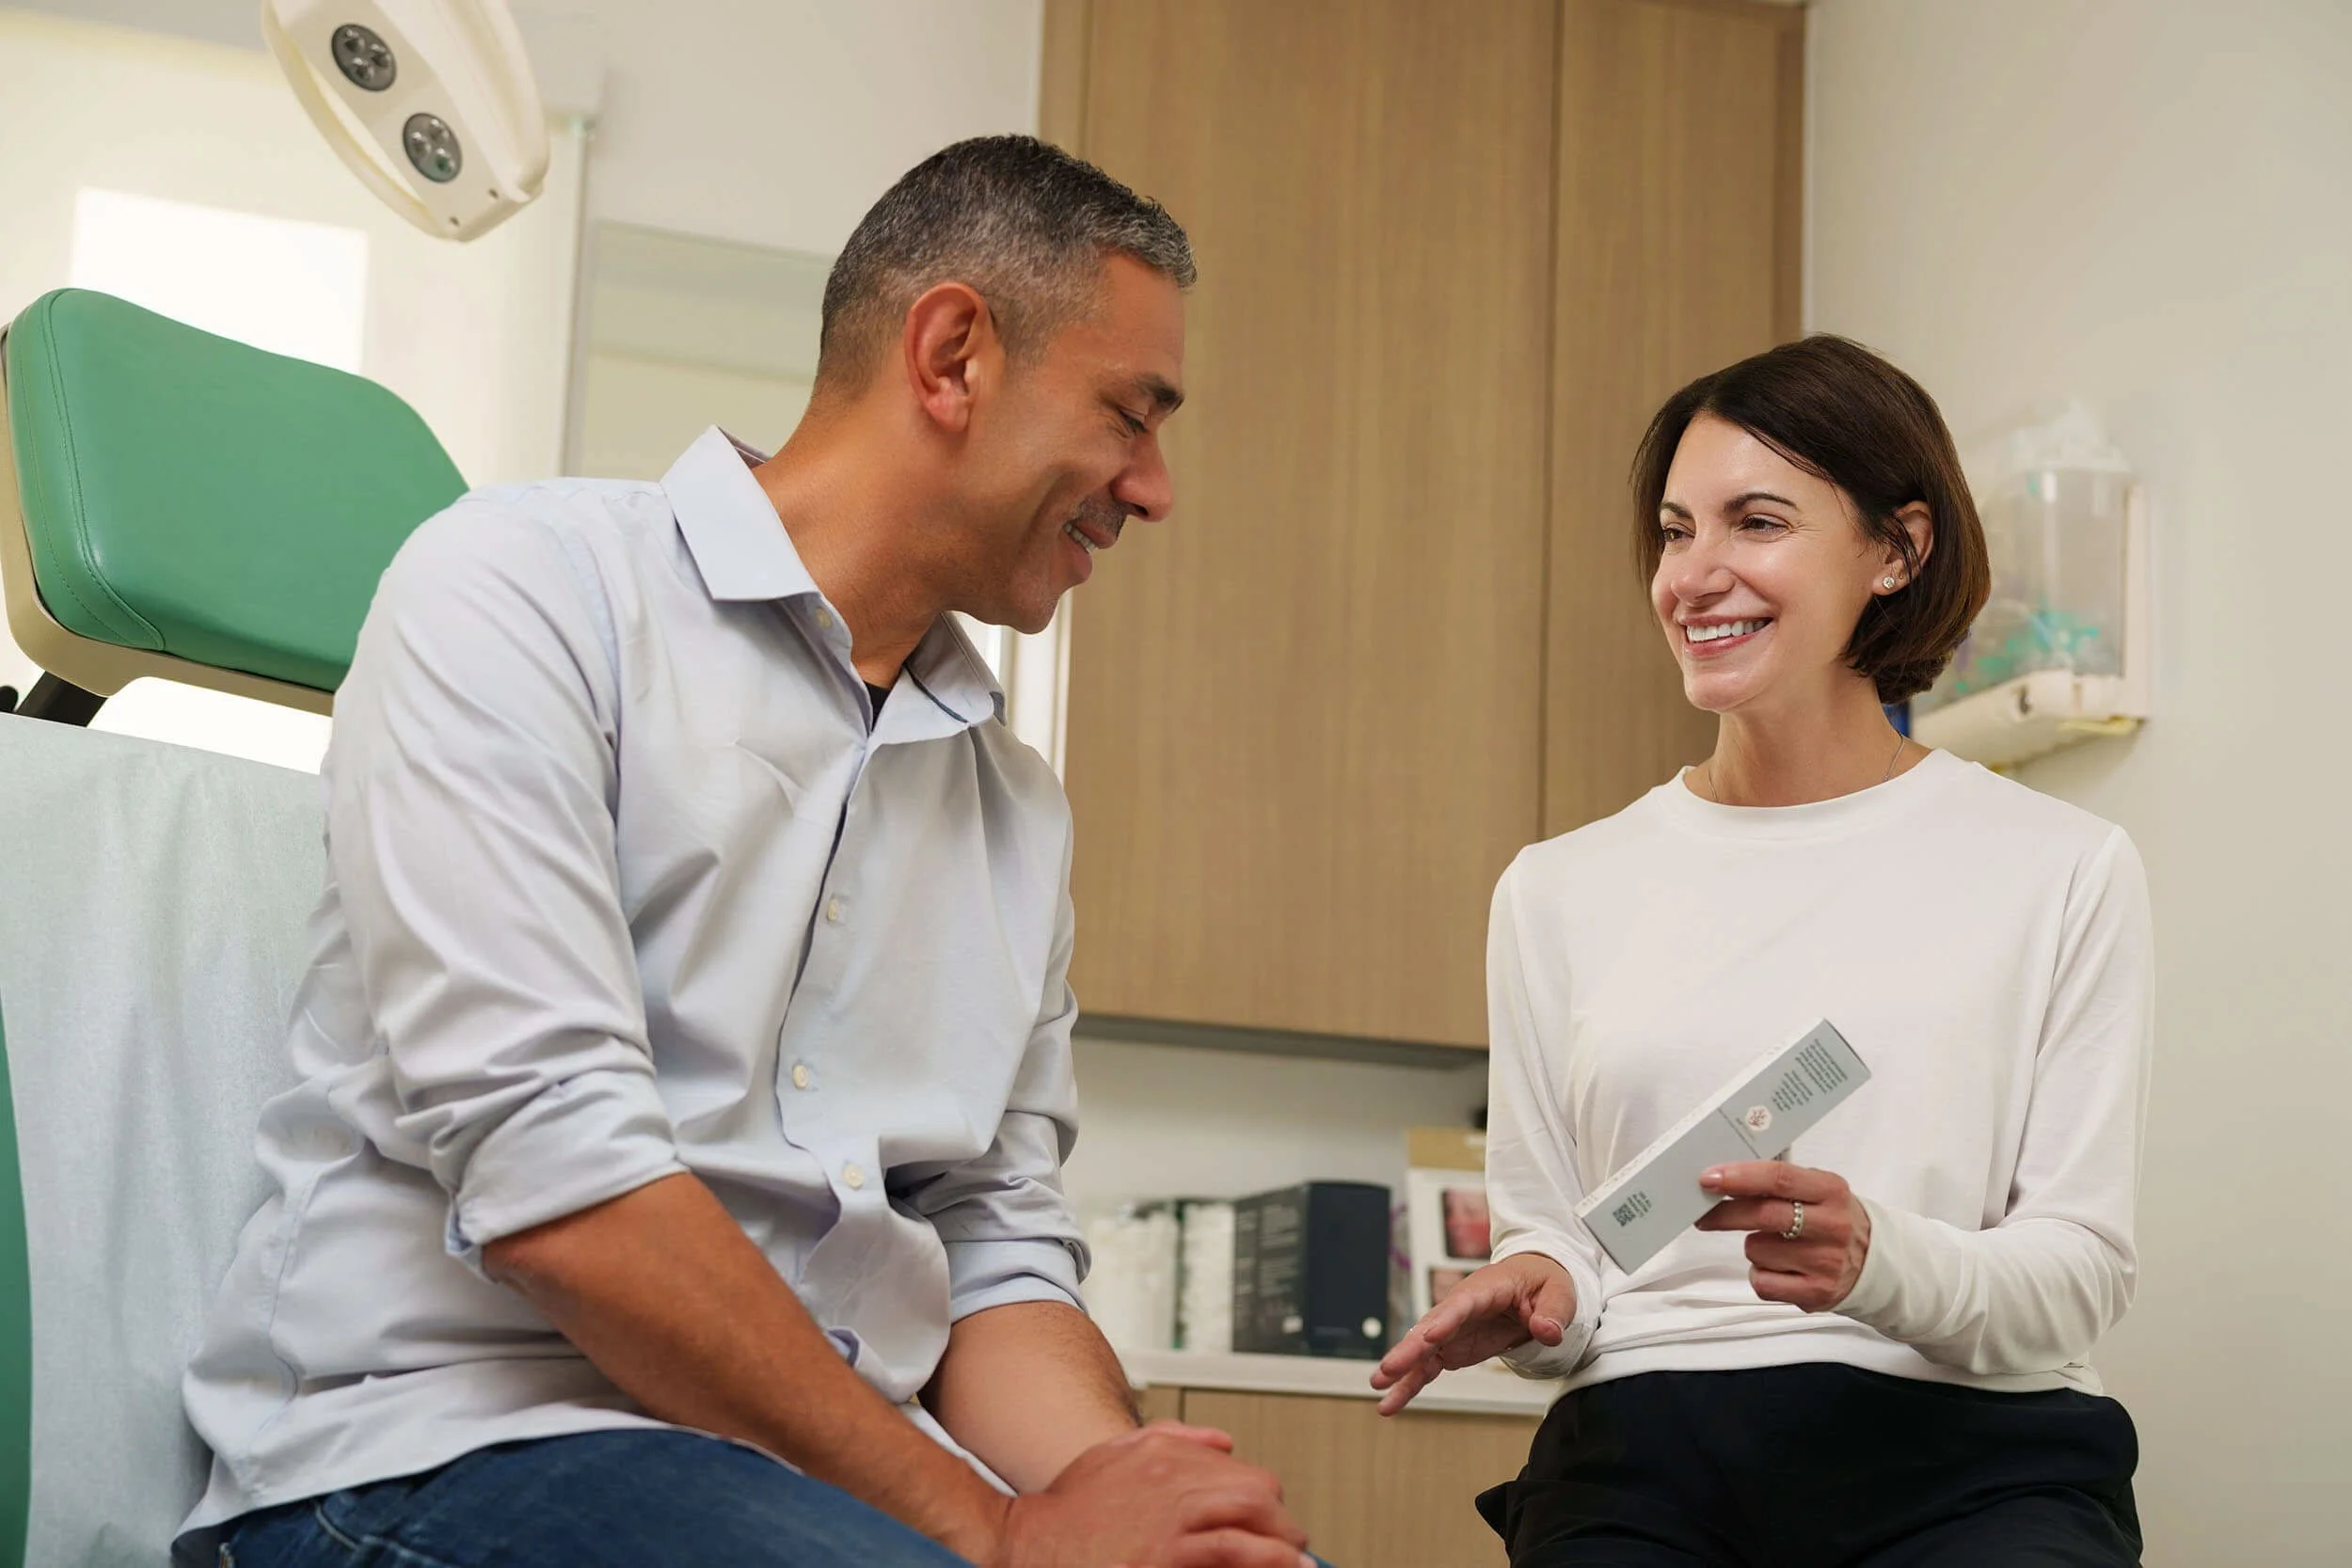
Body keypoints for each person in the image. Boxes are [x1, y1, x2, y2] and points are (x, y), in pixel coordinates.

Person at [177, 135, 1317, 1568]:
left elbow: (990, 1245)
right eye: (1128, 414)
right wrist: (1004, 1532)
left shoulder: (1015, 807)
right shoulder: (526, 588)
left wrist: (1135, 1508)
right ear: (953, 354)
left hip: (828, 1487)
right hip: (442, 1447)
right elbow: (561, 1188)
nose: (1154, 487)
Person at [1373, 336, 2151, 1567]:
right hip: (1642, 1465)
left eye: (1758, 521)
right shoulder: (1557, 890)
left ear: (1898, 548)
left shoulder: (2061, 868)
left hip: (1975, 1467)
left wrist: (1880, 1259)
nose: (1696, 573)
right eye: (1677, 530)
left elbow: (2077, 1269)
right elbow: (1565, 1248)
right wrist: (1529, 1290)